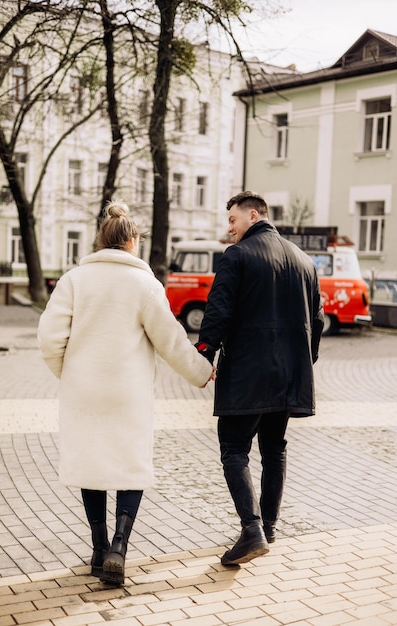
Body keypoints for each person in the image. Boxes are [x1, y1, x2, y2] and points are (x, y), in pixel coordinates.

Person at [37, 201, 214, 586]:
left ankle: (98, 550)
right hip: (128, 393)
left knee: (92, 463)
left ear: (101, 239)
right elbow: (171, 341)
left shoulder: (73, 280)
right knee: (130, 463)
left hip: (83, 390)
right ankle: (119, 545)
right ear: (133, 241)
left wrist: (68, 374)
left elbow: (49, 338)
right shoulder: (145, 284)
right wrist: (201, 372)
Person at [195, 191, 324, 566]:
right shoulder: (303, 260)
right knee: (274, 449)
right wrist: (303, 362)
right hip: (288, 377)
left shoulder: (237, 256)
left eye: (232, 221)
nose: (229, 229)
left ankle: (252, 530)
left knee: (234, 450)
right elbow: (315, 323)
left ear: (253, 216)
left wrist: (204, 358)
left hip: (247, 376)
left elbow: (217, 312)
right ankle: (268, 525)